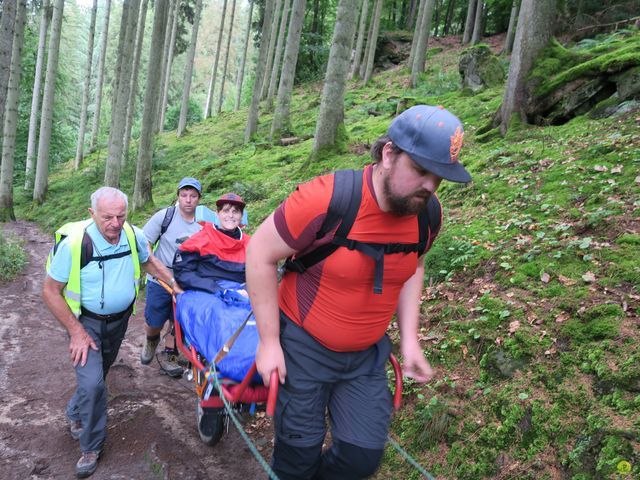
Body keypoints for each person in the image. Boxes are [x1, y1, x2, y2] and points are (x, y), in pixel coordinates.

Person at [246, 105, 472, 479]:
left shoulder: (427, 215)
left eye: (439, 177)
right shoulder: (326, 200)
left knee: (361, 458)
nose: (430, 186)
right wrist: (269, 341)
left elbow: (413, 266)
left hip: (366, 357)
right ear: (388, 154)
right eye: (420, 171)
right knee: (297, 458)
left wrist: (410, 339)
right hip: (304, 347)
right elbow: (259, 254)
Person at [43, 187, 180, 478]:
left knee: (99, 372)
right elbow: (50, 290)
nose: (115, 224)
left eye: (121, 216)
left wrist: (174, 285)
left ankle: (74, 412)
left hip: (118, 322)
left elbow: (148, 261)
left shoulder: (132, 235)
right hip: (86, 323)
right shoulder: (75, 245)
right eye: (108, 217)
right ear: (92, 213)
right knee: (93, 384)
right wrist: (76, 332)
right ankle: (91, 446)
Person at [140, 177, 203, 377]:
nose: (188, 199)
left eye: (193, 196)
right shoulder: (164, 216)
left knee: (178, 322)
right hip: (160, 278)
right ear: (178, 196)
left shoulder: (202, 225)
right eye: (184, 195)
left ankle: (170, 357)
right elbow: (144, 242)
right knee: (154, 321)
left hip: (187, 281)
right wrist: (152, 265)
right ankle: (151, 340)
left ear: (198, 199)